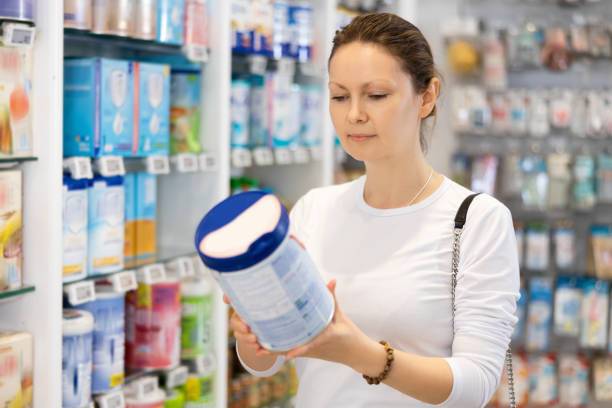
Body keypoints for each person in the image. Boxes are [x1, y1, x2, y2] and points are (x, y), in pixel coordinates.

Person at [225, 12, 520, 408]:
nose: (354, 114)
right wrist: (254, 335)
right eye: (339, 96)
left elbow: (476, 384)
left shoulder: (477, 221)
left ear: (427, 97)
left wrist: (359, 353)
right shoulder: (314, 209)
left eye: (376, 95)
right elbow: (266, 363)